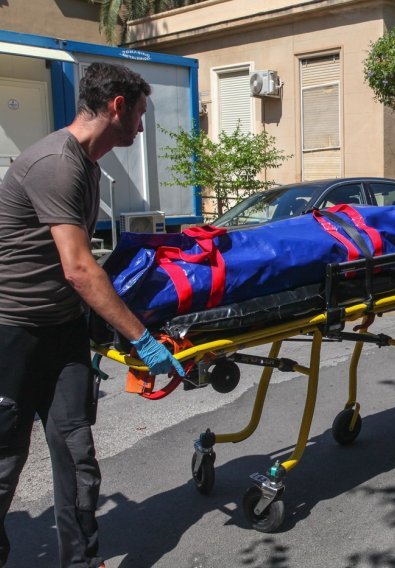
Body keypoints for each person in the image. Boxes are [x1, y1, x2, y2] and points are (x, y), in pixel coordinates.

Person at [0, 62, 184, 568]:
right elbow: (80, 269)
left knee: (78, 455)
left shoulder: (87, 166)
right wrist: (142, 341)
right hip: (12, 332)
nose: (142, 127)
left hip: (61, 333)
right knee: (4, 463)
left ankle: (82, 562)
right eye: (140, 114)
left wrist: (100, 325)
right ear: (117, 106)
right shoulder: (56, 163)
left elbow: (78, 271)